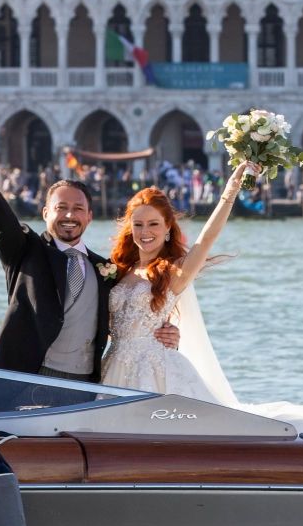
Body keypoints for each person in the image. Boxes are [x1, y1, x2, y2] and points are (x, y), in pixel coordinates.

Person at [0, 135, 176, 381]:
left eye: (77, 209)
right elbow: (3, 224)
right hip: (30, 378)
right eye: (60, 207)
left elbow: (131, 313)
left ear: (89, 217)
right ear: (45, 213)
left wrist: (166, 332)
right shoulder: (25, 250)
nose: (69, 215)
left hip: (86, 383)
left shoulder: (105, 268)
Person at [98, 163, 258, 403]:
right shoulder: (118, 270)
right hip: (112, 366)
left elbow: (205, 240)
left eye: (154, 224)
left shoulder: (174, 272)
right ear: (130, 229)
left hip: (153, 368)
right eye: (138, 224)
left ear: (167, 229)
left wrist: (231, 189)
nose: (145, 232)